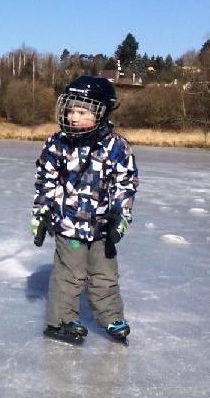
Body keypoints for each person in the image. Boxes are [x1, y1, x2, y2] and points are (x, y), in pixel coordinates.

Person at [31, 75, 139, 344]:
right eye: (70, 110)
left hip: (103, 227)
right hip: (68, 226)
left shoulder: (116, 147)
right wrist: (42, 211)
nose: (74, 117)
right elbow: (46, 180)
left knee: (105, 275)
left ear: (101, 113)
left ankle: (111, 317)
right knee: (69, 275)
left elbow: (125, 182)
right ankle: (61, 321)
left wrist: (121, 213)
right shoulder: (57, 144)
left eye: (82, 112)